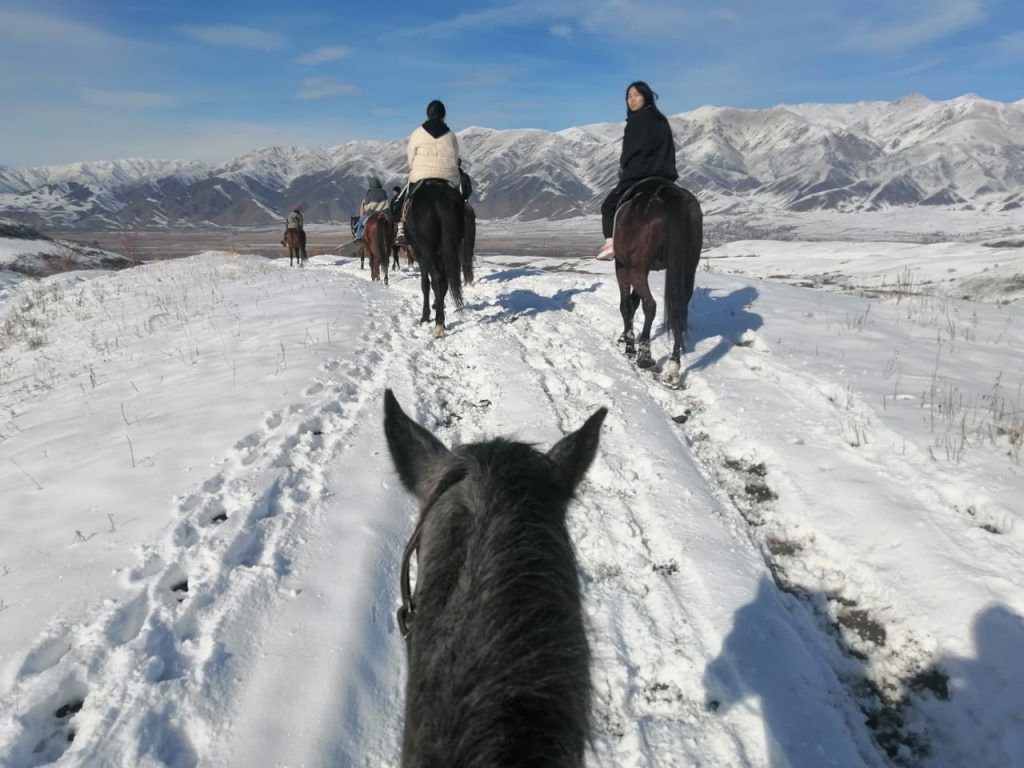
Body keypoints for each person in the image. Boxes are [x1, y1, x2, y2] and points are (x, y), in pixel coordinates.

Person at [596, 81, 678, 260]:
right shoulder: (661, 120)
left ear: (646, 96)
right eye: (629, 96)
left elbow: (631, 152)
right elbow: (669, 150)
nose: (632, 100)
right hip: (665, 177)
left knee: (608, 206)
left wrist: (625, 170)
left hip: (639, 176)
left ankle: (611, 243)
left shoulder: (636, 121)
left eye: (637, 95)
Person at [394, 99, 461, 246]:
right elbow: (455, 158)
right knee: (461, 203)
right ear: (444, 115)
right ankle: (462, 231)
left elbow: (410, 157)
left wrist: (413, 169)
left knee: (402, 202)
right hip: (447, 177)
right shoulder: (451, 135)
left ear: (427, 114)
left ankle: (401, 230)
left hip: (421, 176)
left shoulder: (417, 133)